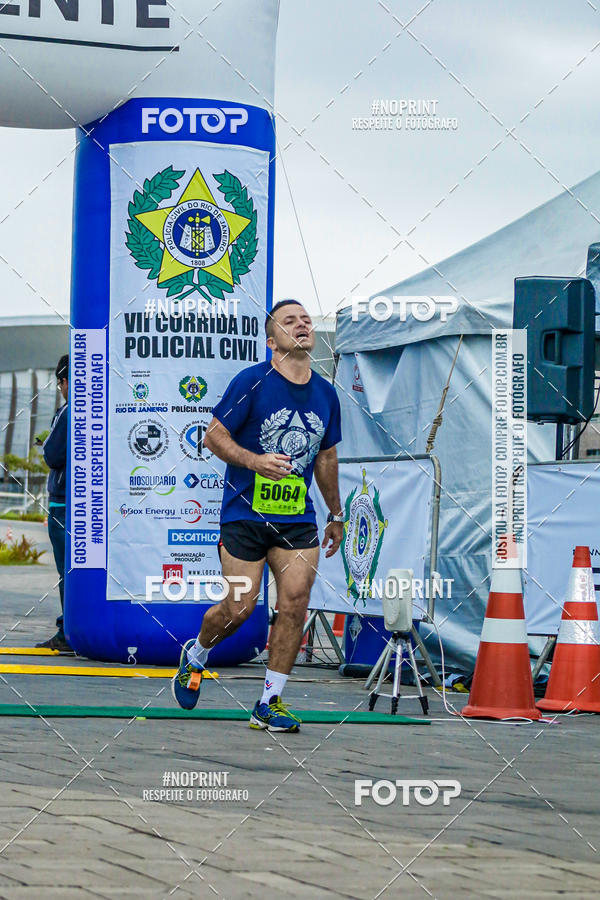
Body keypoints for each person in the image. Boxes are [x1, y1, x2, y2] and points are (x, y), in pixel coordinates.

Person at [172, 300, 344, 731]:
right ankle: (197, 651)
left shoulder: (325, 393)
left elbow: (325, 458)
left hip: (296, 520)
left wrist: (336, 513)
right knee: (239, 607)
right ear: (272, 341)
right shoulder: (251, 381)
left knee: (295, 601)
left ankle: (270, 701)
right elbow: (213, 436)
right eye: (290, 322)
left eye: (306, 319)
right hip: (244, 515)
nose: (302, 325)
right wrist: (255, 462)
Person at [36, 354, 73, 653]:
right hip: (90, 506)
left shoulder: (68, 412)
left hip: (63, 503)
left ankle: (67, 631)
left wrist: (45, 443)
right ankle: (77, 626)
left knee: (66, 571)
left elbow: (51, 454)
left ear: (64, 381)